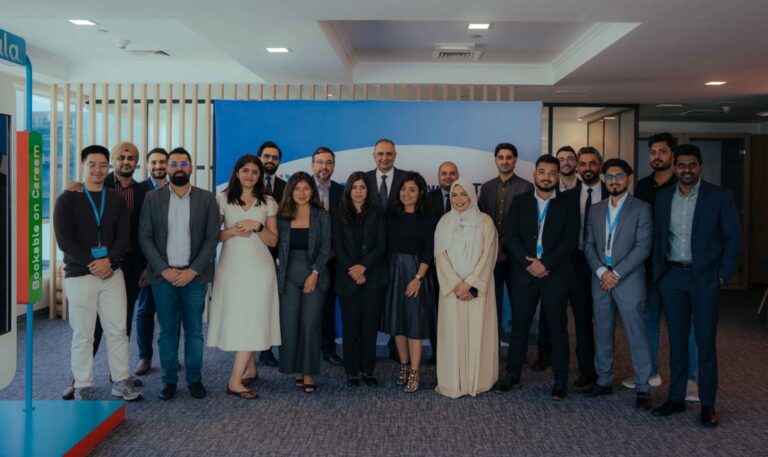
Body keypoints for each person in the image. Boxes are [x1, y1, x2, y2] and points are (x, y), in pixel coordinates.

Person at [651, 144, 741, 428]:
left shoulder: (719, 196)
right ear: (675, 167)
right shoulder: (663, 196)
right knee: (676, 341)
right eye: (681, 165)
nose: (686, 170)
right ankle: (676, 398)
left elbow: (733, 238)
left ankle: (707, 404)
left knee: (705, 343)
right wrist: (659, 273)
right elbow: (658, 237)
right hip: (672, 278)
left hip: (705, 279)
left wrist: (722, 275)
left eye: (692, 165)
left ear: (700, 166)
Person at [60, 141, 147, 399]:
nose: (98, 170)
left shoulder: (115, 198)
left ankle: (121, 381)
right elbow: (65, 240)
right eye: (92, 165)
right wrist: (93, 262)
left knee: (118, 330)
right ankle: (82, 384)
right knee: (83, 333)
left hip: (112, 273)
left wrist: (108, 261)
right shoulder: (68, 198)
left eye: (102, 165)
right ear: (83, 167)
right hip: (80, 275)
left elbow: (123, 235)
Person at [139, 147, 220, 401]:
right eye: (174, 164)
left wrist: (192, 270)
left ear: (191, 168)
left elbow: (212, 238)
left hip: (194, 278)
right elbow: (145, 236)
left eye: (183, 164)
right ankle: (169, 380)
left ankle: (194, 379)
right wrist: (163, 269)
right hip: (163, 277)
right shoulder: (152, 198)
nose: (178, 168)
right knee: (167, 332)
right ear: (167, 168)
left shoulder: (207, 198)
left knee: (194, 332)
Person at [497, 154, 578, 400]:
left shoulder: (569, 203)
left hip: (555, 274)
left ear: (558, 176)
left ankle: (560, 379)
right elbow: (510, 237)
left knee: (557, 328)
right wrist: (529, 263)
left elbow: (570, 241)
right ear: (534, 174)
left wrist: (545, 263)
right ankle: (512, 374)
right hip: (525, 274)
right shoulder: (520, 202)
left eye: (552, 173)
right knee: (520, 326)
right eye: (542, 172)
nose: (546, 177)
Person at [624, 133, 699, 398]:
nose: (657, 156)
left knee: (686, 324)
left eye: (663, 151)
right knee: (649, 319)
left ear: (673, 155)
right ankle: (650, 372)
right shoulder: (643, 186)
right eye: (653, 152)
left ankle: (692, 379)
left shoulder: (684, 185)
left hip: (678, 266)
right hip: (649, 266)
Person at [582, 159, 654, 410]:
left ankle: (643, 386)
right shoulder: (596, 209)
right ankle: (603, 380)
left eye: (620, 176)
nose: (615, 181)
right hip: (600, 279)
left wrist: (617, 273)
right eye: (610, 176)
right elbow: (588, 244)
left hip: (629, 279)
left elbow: (643, 247)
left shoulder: (641, 208)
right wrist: (602, 271)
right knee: (603, 332)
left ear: (628, 178)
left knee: (637, 334)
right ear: (603, 179)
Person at [207, 155, 280, 399]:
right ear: (237, 172)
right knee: (240, 319)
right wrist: (231, 231)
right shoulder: (223, 199)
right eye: (245, 170)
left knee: (254, 318)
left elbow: (273, 240)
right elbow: (212, 236)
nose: (250, 175)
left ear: (260, 176)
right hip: (231, 268)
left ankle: (234, 381)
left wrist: (258, 227)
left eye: (255, 172)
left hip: (261, 270)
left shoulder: (268, 202)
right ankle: (250, 368)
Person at [538, 146, 606, 387]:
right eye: (583, 164)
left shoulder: (611, 192)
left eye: (592, 163)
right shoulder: (566, 196)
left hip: (603, 262)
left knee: (589, 318)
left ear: (599, 165)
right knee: (570, 315)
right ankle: (566, 364)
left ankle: (590, 369)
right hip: (571, 261)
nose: (587, 168)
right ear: (578, 167)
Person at [434, 179, 499, 398]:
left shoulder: (485, 222)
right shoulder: (444, 222)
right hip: (452, 291)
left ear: (472, 196)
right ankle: (453, 382)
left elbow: (489, 255)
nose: (459, 199)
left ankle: (477, 381)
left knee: (477, 333)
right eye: (454, 195)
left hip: (477, 290)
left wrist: (470, 283)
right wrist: (456, 285)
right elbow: (440, 257)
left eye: (464, 194)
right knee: (453, 335)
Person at [276, 172, 332, 393]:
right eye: (297, 188)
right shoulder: (282, 216)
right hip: (287, 277)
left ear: (312, 191)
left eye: (306, 188)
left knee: (310, 324)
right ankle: (296, 370)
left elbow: (327, 248)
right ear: (290, 191)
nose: (301, 193)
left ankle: (308, 373)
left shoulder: (321, 215)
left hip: (314, 276)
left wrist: (315, 272)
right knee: (290, 325)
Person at [382, 171, 437, 393]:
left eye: (412, 189)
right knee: (397, 324)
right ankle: (404, 366)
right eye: (403, 189)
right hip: (393, 273)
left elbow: (428, 252)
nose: (407, 193)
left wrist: (417, 278)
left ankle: (415, 372)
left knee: (414, 325)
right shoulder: (391, 216)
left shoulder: (428, 219)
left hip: (417, 274)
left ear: (421, 193)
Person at [331, 172, 388, 387]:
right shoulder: (338, 213)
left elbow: (381, 245)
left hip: (373, 277)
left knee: (369, 327)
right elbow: (337, 246)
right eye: (354, 187)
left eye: (362, 187)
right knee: (351, 326)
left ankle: (368, 370)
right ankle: (352, 371)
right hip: (348, 279)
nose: (358, 191)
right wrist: (353, 270)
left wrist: (363, 267)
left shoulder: (377, 212)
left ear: (368, 190)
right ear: (348, 190)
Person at [478, 143, 533, 343]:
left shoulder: (526, 187)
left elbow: (525, 225)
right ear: (495, 160)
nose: (505, 161)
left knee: (519, 304)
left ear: (515, 160)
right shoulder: (486, 188)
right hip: (491, 255)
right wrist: (496, 246)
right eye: (501, 157)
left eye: (509, 157)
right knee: (493, 303)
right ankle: (493, 346)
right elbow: (482, 220)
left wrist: (505, 245)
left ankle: (517, 347)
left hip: (516, 256)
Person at [312, 147, 345, 366]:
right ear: (312, 165)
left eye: (329, 163)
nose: (324, 167)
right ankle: (306, 350)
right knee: (307, 306)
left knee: (328, 305)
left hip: (333, 259)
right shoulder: (302, 189)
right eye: (320, 162)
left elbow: (345, 226)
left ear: (333, 166)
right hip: (307, 259)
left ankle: (328, 348)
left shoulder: (341, 191)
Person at [425, 160, 459, 363]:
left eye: (452, 173)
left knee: (457, 311)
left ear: (458, 175)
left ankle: (456, 353)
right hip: (434, 265)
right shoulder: (428, 199)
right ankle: (438, 353)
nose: (448, 177)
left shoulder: (468, 198)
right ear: (438, 177)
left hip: (461, 266)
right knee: (436, 310)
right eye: (444, 173)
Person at [256, 140, 285, 367]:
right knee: (258, 305)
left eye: (275, 158)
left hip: (279, 253)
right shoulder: (248, 184)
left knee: (276, 304)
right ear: (259, 158)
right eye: (266, 156)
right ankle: (260, 349)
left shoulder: (286, 187)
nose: (270, 161)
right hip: (252, 254)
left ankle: (273, 348)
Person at [366, 138, 406, 211]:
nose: (384, 158)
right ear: (374, 156)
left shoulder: (406, 178)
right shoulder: (364, 178)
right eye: (380, 154)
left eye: (389, 154)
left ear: (395, 155)